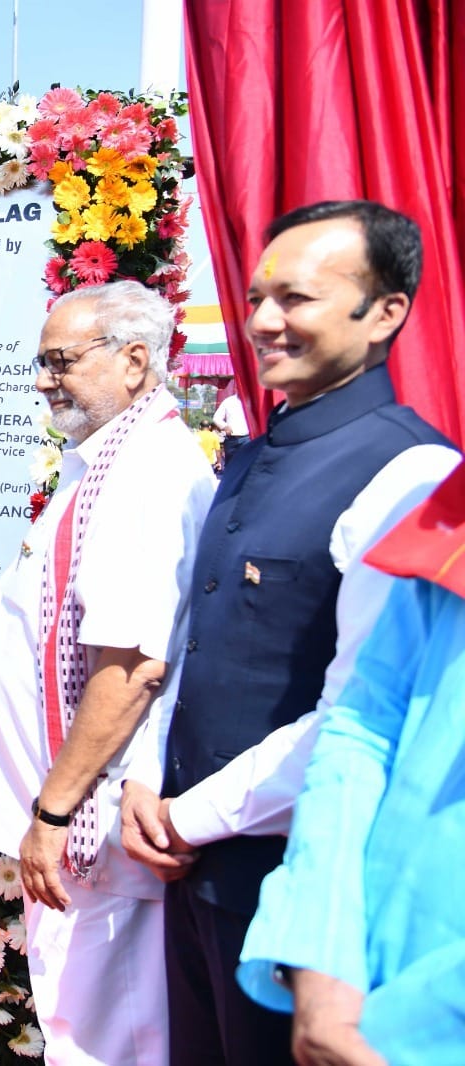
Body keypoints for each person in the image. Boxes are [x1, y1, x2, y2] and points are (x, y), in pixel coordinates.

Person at [121, 200, 455, 1066]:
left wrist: (190, 815)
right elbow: (192, 637)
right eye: (258, 296)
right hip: (187, 866)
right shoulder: (254, 453)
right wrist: (144, 778)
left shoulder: (410, 473)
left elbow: (362, 712)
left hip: (297, 901)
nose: (265, 320)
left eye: (298, 299)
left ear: (385, 313)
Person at [0, 280, 217, 1064]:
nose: (42, 379)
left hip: (94, 819)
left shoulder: (145, 476)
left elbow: (128, 668)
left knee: (106, 1031)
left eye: (60, 361)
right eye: (40, 360)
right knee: (79, 1012)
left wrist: (53, 816)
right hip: (77, 808)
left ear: (133, 361)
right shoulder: (109, 460)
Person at [237, 462, 465, 1062]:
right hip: (355, 985)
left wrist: (394, 1029)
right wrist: (321, 955)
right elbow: (366, 722)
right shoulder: (453, 505)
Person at [212, 388, 249, 460]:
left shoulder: (252, 400)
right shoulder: (228, 401)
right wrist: (225, 426)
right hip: (231, 440)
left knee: (246, 464)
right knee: (230, 465)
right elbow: (216, 418)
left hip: (247, 438)